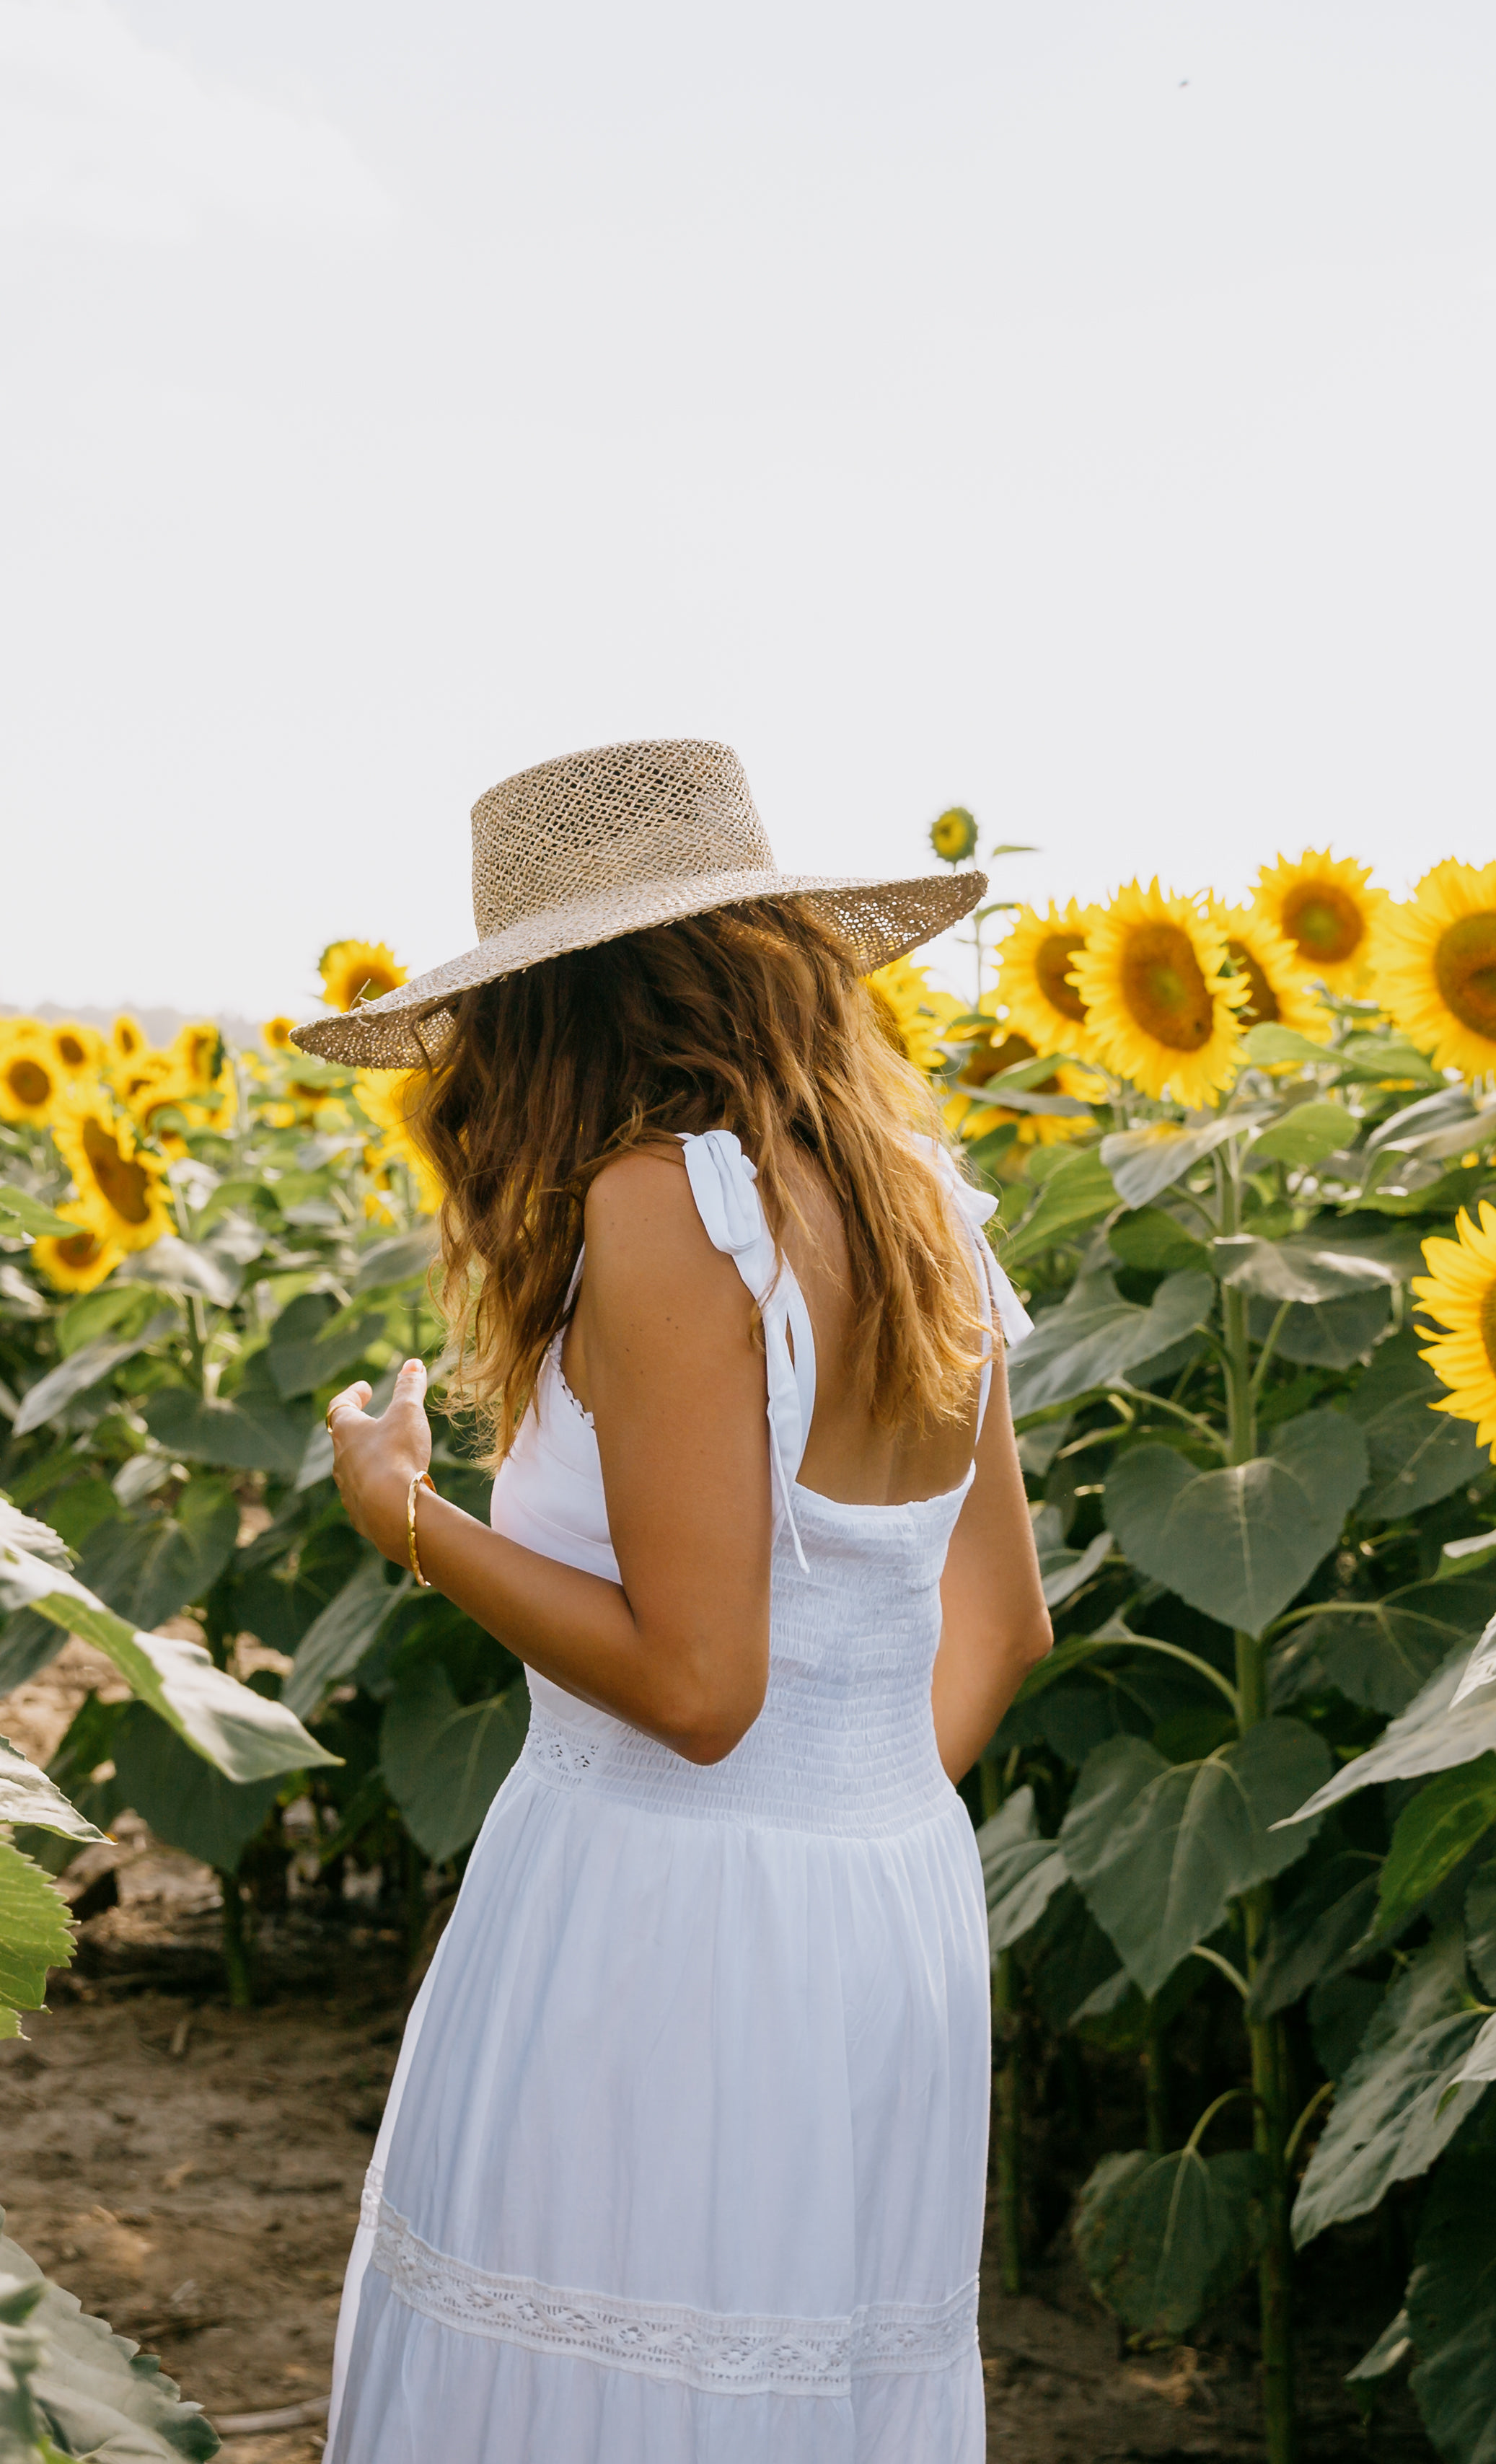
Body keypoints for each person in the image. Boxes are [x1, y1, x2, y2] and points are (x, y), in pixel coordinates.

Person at [299, 737, 1056, 2463]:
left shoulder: (662, 1210)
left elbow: (700, 1693)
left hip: (651, 1916)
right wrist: (837, 1832)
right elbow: (1004, 1624)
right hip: (889, 1914)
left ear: (549, 1008)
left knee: (599, 2394)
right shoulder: (924, 1202)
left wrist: (404, 1515)